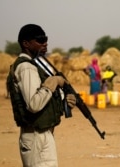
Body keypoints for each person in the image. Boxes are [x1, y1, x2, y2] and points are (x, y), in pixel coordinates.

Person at [7, 24, 76, 167]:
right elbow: (34, 104)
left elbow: (44, 100)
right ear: (26, 43)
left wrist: (64, 99)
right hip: (36, 136)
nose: (45, 43)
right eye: (39, 40)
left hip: (41, 135)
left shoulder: (34, 65)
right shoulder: (26, 67)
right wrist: (54, 82)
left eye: (45, 39)